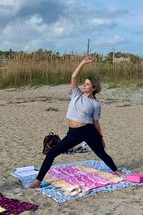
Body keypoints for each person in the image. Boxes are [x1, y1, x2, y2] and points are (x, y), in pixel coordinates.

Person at [28, 57, 122, 188]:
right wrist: (83, 63)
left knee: (101, 153)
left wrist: (101, 137)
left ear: (94, 88)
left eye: (88, 84)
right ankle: (38, 181)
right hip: (73, 133)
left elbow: (96, 122)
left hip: (88, 131)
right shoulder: (76, 94)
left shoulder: (95, 104)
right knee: (51, 153)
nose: (84, 85)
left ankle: (116, 170)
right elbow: (73, 77)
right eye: (84, 83)